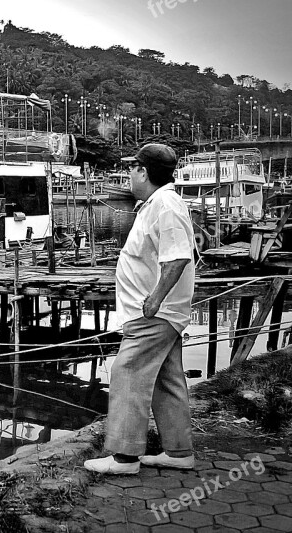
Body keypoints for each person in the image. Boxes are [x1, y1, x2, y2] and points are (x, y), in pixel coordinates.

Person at [84, 144, 196, 475]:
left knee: (127, 373)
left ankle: (124, 457)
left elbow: (178, 257)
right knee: (166, 378)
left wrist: (155, 299)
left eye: (132, 168)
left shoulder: (165, 206)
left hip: (153, 315)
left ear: (143, 173)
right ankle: (179, 452)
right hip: (158, 314)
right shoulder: (156, 204)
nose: (129, 174)